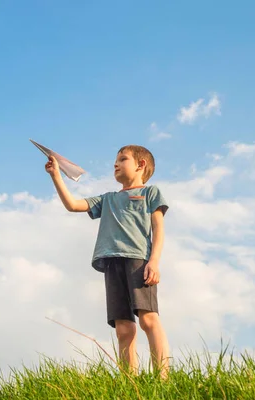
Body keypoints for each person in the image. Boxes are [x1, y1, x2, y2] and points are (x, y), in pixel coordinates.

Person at [45, 144, 170, 378]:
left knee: (148, 320)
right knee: (123, 328)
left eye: (123, 159)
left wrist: (154, 262)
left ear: (141, 165)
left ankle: (162, 379)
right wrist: (56, 175)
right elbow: (73, 205)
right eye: (116, 160)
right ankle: (129, 383)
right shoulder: (108, 199)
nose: (116, 164)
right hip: (111, 263)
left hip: (138, 260)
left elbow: (158, 228)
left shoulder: (150, 193)